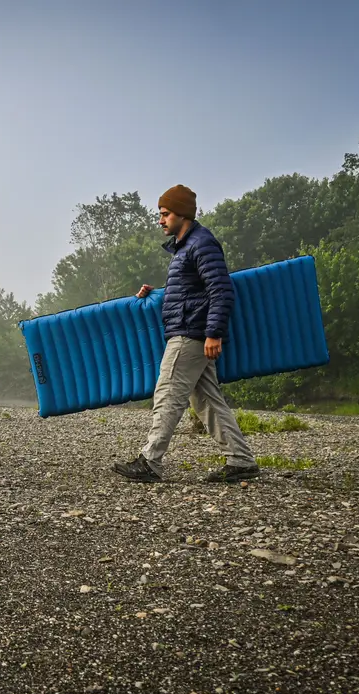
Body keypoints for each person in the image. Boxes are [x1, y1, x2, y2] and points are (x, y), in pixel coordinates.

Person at [112, 184, 259, 484]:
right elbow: (192, 290)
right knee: (205, 400)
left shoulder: (201, 243)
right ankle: (241, 460)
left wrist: (214, 333)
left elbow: (221, 290)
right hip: (191, 331)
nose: (160, 220)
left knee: (167, 393)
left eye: (165, 214)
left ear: (182, 213)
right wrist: (156, 294)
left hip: (190, 334)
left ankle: (150, 462)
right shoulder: (186, 247)